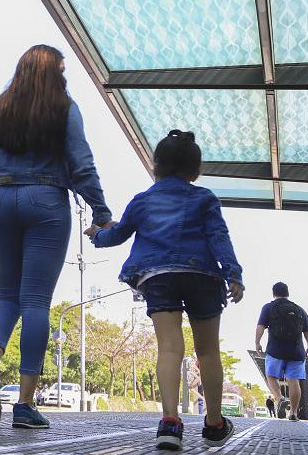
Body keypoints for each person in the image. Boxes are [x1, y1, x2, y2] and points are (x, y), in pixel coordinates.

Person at [0, 45, 112, 429]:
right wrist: (101, 212)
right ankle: (25, 403)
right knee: (36, 301)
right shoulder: (64, 108)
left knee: (6, 297)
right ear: (54, 72)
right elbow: (82, 162)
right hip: (46, 201)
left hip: (1, 201)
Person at [87, 130, 244, 450]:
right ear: (195, 171)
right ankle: (214, 423)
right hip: (202, 274)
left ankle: (170, 422)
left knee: (170, 348)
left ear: (155, 166)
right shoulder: (205, 198)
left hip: (158, 276)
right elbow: (219, 238)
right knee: (208, 352)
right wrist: (233, 275)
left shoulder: (142, 201)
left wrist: (96, 235)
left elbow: (117, 235)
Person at [255, 281, 308, 421]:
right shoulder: (299, 309)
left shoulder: (269, 307)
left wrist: (257, 343)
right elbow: (307, 332)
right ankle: (293, 413)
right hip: (296, 351)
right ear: (287, 293)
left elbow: (261, 326)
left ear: (274, 293)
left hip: (275, 350)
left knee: (271, 375)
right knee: (293, 380)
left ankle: (280, 398)